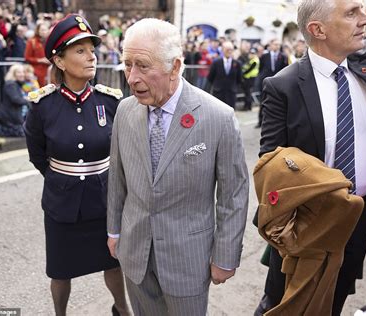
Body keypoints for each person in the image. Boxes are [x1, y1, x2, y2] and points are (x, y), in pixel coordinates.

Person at [254, 0, 366, 315]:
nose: (365, 19)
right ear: (317, 29)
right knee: (284, 303)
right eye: (352, 12)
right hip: (308, 221)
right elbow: (271, 164)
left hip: (358, 216)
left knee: (334, 300)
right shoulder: (283, 86)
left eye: (363, 9)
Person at [107, 18, 249, 315]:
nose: (131, 77)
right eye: (127, 64)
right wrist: (115, 230)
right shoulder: (124, 110)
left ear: (174, 66)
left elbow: (233, 193)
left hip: (188, 260)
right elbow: (117, 179)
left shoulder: (217, 117)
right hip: (135, 254)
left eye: (143, 66)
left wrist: (225, 255)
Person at [23, 14, 130, 316]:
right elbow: (38, 154)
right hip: (62, 201)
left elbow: (120, 151)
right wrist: (63, 179)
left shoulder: (110, 101)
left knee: (113, 262)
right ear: (59, 60)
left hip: (104, 199)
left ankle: (122, 308)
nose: (91, 57)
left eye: (92, 50)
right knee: (60, 270)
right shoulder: (43, 106)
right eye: (80, 51)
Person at [255, 38, 287, 128]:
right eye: (275, 44)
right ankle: (260, 121)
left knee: (278, 103)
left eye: (278, 44)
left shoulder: (283, 57)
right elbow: (261, 69)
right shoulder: (264, 56)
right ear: (270, 45)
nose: (277, 46)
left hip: (278, 83)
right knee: (263, 102)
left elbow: (285, 70)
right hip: (266, 83)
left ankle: (277, 123)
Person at [0, 64, 27, 137]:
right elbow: (16, 99)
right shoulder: (11, 84)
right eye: (19, 72)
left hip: (14, 115)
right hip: (9, 116)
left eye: (23, 72)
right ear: (13, 74)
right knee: (24, 133)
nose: (22, 74)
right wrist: (29, 100)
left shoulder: (17, 84)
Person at [207, 41, 242, 108]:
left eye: (231, 49)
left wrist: (233, 87)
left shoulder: (237, 64)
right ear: (223, 50)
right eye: (227, 49)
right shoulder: (216, 62)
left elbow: (239, 79)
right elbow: (210, 77)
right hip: (218, 93)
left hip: (231, 93)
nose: (229, 51)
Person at [24, 22, 50, 86]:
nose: (44, 32)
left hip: (49, 71)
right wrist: (40, 60)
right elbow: (27, 57)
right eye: (42, 30)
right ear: (38, 31)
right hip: (36, 72)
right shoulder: (32, 41)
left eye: (45, 30)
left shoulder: (50, 41)